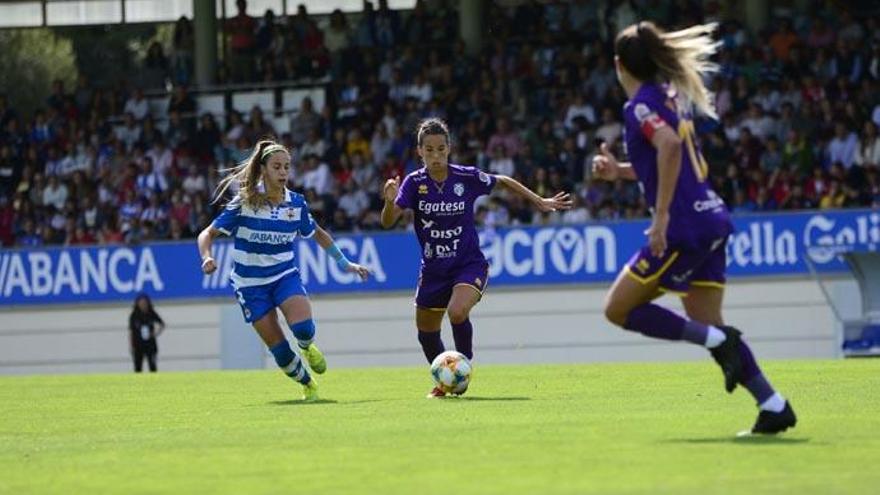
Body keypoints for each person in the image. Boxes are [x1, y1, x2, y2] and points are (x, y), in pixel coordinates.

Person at [592, 21, 796, 435]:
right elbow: (667, 158)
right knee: (707, 320)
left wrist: (661, 216)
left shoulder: (640, 107)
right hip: (712, 219)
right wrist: (619, 172)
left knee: (618, 309)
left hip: (683, 228)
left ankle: (718, 343)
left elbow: (667, 146)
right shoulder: (670, 96)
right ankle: (773, 404)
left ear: (619, 65)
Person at [380, 118, 572, 398]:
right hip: (434, 270)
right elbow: (388, 221)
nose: (436, 156)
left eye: (441, 149)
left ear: (449, 148)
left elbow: (502, 180)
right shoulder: (413, 183)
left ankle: (463, 367)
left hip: (468, 264)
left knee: (457, 311)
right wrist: (389, 201)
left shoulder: (465, 177)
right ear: (419, 151)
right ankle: (446, 383)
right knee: (426, 332)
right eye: (429, 150)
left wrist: (539, 201)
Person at [197, 140, 370, 401]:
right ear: (264, 169)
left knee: (303, 328)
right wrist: (207, 257)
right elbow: (206, 234)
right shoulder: (244, 202)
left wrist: (346, 264)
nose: (283, 172)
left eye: (286, 167)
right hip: (249, 285)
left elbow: (319, 235)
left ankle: (307, 347)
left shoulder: (296, 204)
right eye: (277, 166)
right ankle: (307, 383)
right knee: (280, 352)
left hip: (283, 276)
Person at [128, 293, 165, 373]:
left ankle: (153, 383)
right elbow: (131, 331)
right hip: (138, 344)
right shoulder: (134, 315)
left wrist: (155, 334)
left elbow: (162, 324)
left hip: (150, 344)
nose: (143, 305)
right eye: (141, 303)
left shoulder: (151, 313)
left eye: (144, 303)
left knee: (152, 366)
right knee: (138, 367)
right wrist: (131, 346)